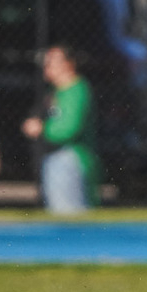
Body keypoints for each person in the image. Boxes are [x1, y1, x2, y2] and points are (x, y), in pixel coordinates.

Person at [23, 45, 99, 214]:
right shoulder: (56, 92)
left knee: (68, 215)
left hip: (69, 158)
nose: (47, 66)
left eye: (52, 62)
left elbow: (68, 128)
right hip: (54, 157)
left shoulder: (76, 90)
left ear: (69, 64)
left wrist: (42, 128)